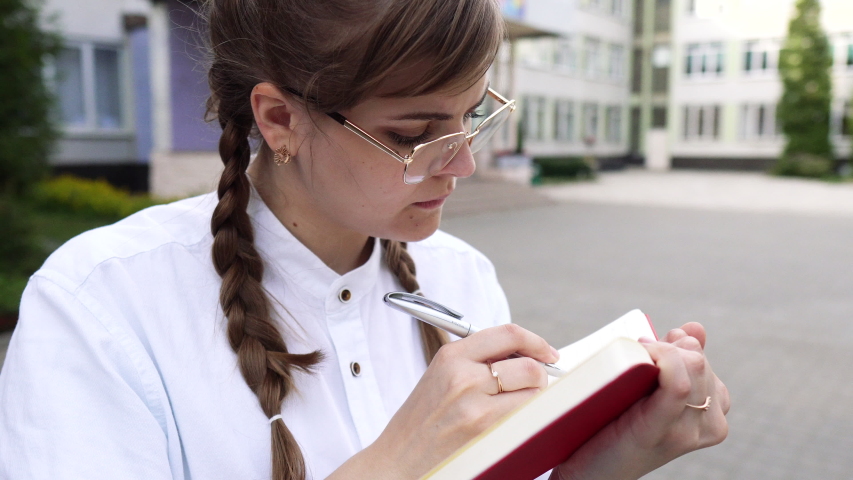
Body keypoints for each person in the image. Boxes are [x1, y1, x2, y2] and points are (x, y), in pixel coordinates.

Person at [0, 0, 729, 479]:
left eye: (472, 115)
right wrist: (397, 461)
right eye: (413, 135)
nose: (464, 162)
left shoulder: (460, 274)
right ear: (279, 119)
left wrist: (597, 462)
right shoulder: (102, 305)